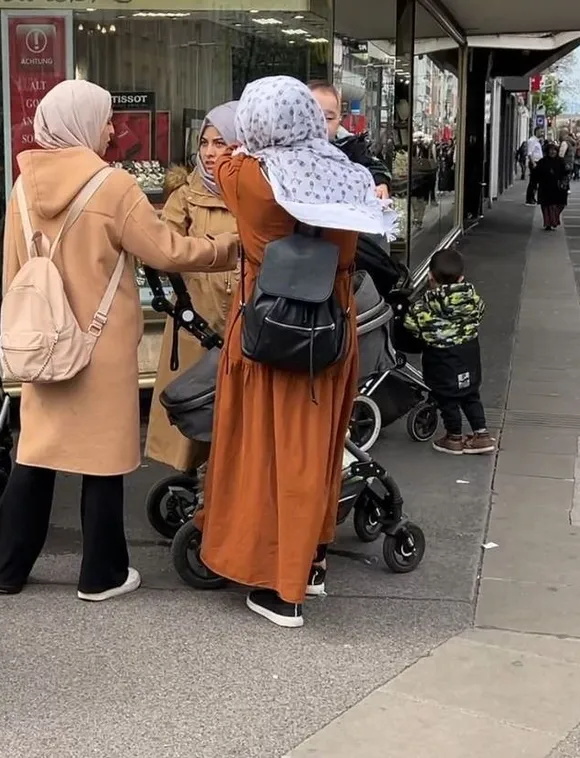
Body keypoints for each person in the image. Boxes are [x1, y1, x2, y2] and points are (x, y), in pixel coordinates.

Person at [0, 80, 239, 600]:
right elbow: (167, 251)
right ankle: (101, 574)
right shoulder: (113, 186)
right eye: (104, 119)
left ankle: (5, 568)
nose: (111, 128)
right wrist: (231, 247)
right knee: (102, 459)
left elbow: (13, 271)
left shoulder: (22, 187)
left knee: (37, 451)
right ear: (83, 124)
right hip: (98, 346)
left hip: (43, 340)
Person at [200, 76, 397, 629]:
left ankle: (281, 586)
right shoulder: (352, 176)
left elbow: (224, 157)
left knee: (265, 453)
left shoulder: (246, 178)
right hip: (331, 327)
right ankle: (309, 563)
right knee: (313, 452)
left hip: (267, 324)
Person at [145, 102, 241, 475]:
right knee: (194, 414)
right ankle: (193, 488)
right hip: (196, 322)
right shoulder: (186, 194)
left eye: (221, 143)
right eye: (205, 142)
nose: (211, 152)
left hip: (242, 318)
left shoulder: (257, 190)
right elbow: (162, 246)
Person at [404, 248, 495, 455]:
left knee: (447, 399)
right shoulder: (473, 300)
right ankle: (481, 436)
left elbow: (411, 325)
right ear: (461, 278)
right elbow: (480, 312)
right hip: (469, 356)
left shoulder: (423, 308)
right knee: (471, 395)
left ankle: (454, 437)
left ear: (429, 277)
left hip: (441, 361)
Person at [307, 81, 391, 199]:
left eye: (328, 118)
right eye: (312, 115)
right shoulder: (290, 147)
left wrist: (380, 184)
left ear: (339, 120)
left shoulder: (350, 146)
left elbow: (375, 166)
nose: (321, 123)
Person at [531, 140, 569, 230]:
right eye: (550, 150)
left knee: (560, 204)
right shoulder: (542, 162)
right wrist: (534, 185)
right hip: (545, 188)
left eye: (554, 150)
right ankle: (548, 223)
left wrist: (567, 171)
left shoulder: (560, 161)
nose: (552, 152)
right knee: (547, 206)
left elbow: (565, 173)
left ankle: (554, 220)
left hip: (558, 188)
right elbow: (536, 174)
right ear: (547, 151)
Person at [523, 130, 544, 206]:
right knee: (533, 182)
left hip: (538, 162)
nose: (542, 133)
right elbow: (530, 153)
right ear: (536, 132)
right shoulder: (532, 140)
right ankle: (529, 199)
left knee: (535, 182)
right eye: (540, 132)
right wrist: (533, 163)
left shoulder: (537, 141)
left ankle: (532, 198)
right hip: (534, 162)